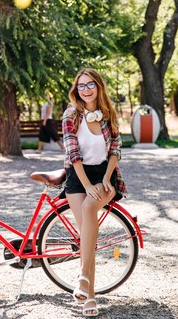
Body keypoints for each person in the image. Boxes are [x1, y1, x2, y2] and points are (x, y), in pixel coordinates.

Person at [61, 68, 127, 317]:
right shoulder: (71, 115)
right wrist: (86, 185)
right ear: (76, 90)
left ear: (99, 87)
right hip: (78, 177)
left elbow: (115, 151)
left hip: (103, 175)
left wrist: (107, 178)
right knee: (87, 237)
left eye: (90, 84)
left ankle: (82, 278)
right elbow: (73, 154)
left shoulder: (109, 115)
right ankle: (90, 296)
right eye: (81, 86)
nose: (86, 89)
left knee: (90, 210)